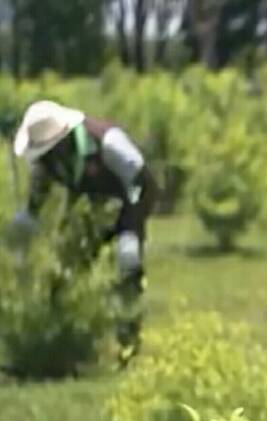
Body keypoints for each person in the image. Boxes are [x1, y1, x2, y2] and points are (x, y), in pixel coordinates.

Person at [7, 100, 157, 362]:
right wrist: (18, 232)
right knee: (64, 269)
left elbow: (143, 183)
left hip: (126, 205)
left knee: (127, 263)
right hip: (87, 212)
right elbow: (35, 205)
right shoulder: (49, 163)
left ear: (61, 142)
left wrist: (131, 229)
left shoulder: (108, 143)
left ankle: (129, 340)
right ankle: (67, 340)